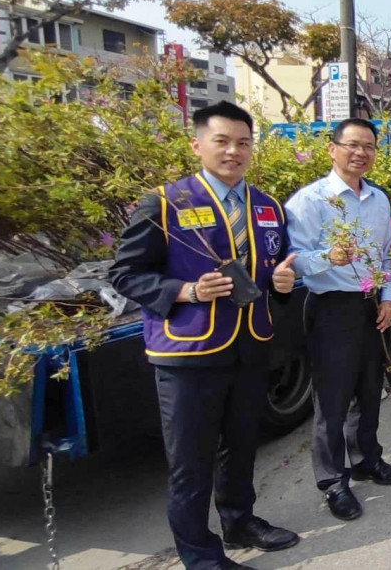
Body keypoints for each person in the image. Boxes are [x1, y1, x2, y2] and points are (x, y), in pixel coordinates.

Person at [109, 101, 300, 570]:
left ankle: (240, 521)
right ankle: (200, 556)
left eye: (243, 143)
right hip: (188, 353)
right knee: (190, 464)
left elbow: (277, 267)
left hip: (252, 345)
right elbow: (126, 274)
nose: (234, 151)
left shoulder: (267, 207)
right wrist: (186, 290)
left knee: (241, 446)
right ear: (197, 145)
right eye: (222, 141)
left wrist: (282, 282)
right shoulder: (165, 202)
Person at [284, 118, 391, 522]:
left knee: (371, 392)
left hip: (370, 306)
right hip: (331, 307)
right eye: (352, 145)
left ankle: (368, 459)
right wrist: (326, 258)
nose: (361, 153)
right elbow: (294, 260)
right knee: (332, 402)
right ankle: (334, 482)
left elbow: (385, 254)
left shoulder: (378, 200)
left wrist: (387, 297)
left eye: (369, 146)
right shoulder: (310, 201)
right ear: (332, 149)